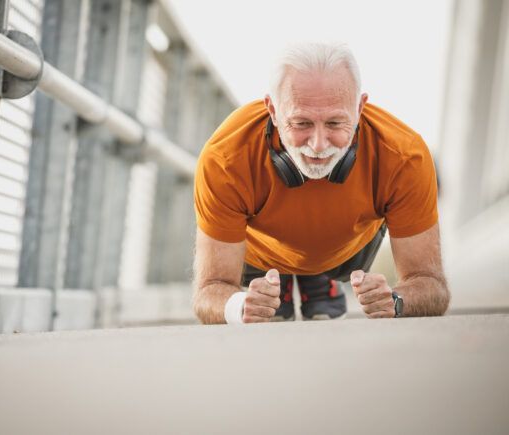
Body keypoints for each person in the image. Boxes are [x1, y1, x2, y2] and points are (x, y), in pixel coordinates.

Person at [192, 42, 450, 324]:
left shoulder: (403, 156)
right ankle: (284, 282)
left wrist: (397, 301)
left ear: (360, 107)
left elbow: (431, 285)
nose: (317, 145)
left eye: (335, 123)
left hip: (346, 251)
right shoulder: (225, 158)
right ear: (273, 111)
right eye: (301, 124)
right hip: (259, 256)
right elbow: (208, 290)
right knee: (270, 312)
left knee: (319, 285)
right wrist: (240, 306)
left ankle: (319, 277)